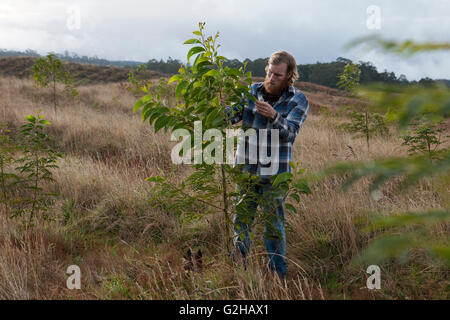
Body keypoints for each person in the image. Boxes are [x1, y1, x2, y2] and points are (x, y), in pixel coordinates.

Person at [225, 51, 309, 279]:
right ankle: (239, 271)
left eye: (278, 75)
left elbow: (290, 133)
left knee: (273, 227)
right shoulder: (252, 92)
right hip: (246, 171)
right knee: (240, 221)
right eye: (269, 72)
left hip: (275, 175)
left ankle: (277, 275)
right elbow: (231, 116)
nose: (271, 78)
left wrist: (274, 116)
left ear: (289, 75)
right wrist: (218, 107)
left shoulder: (298, 99)